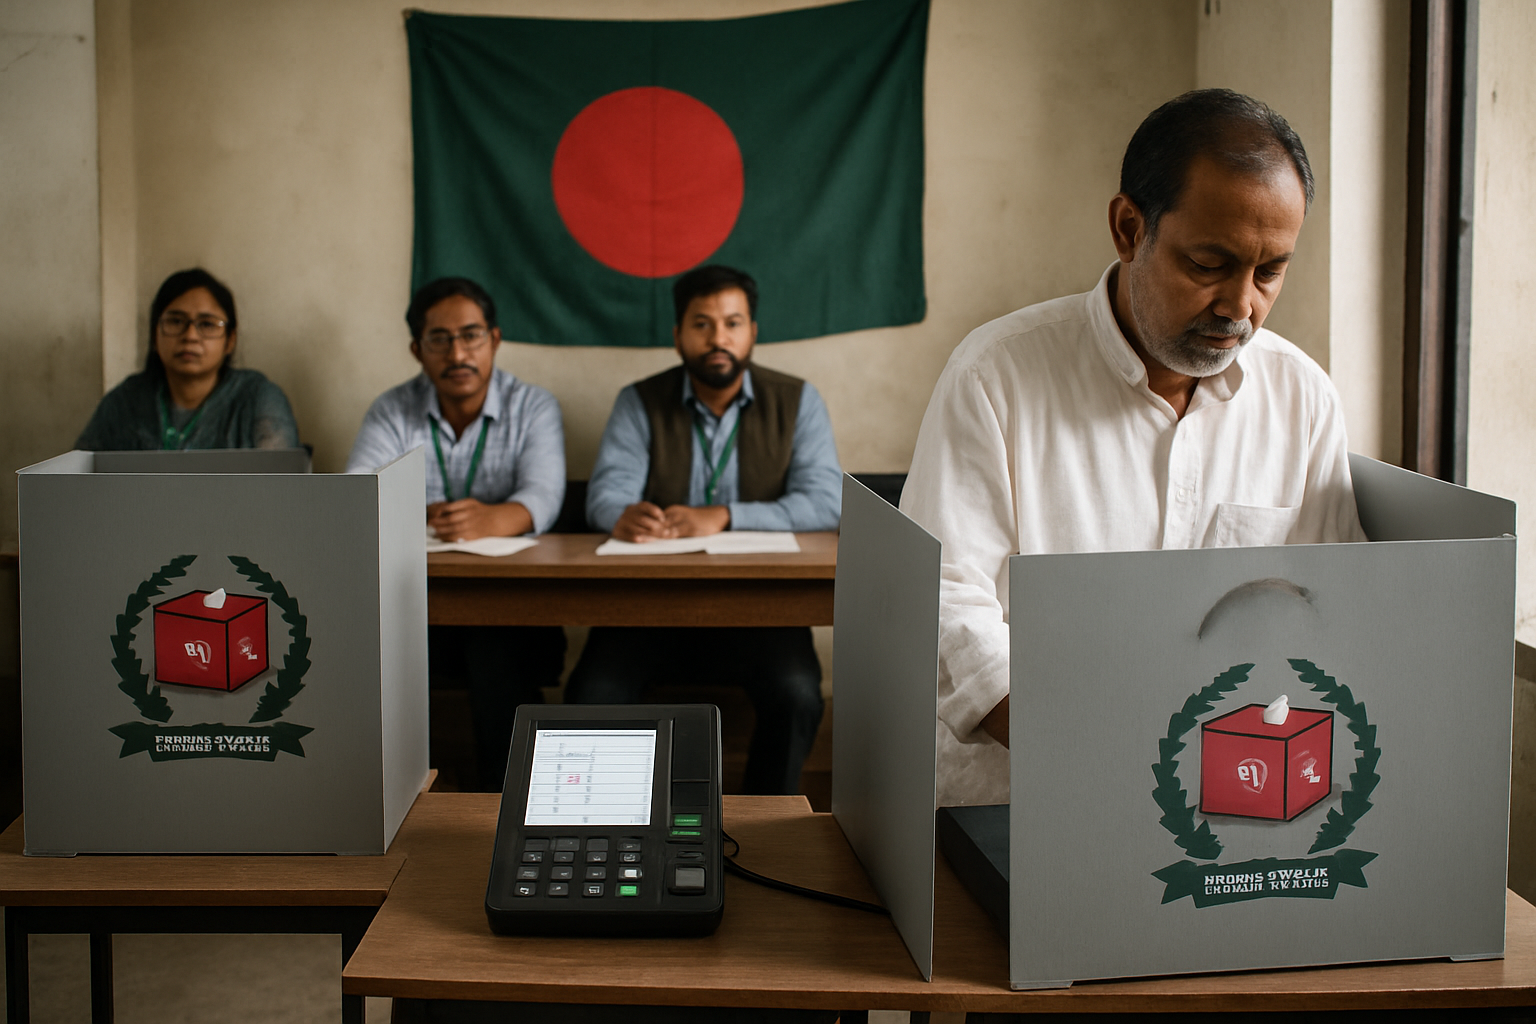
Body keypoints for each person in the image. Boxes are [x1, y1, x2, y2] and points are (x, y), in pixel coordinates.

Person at [900, 89, 1367, 808]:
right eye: (1209, 264)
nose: (1241, 306)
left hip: (1231, 807)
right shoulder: (997, 375)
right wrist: (1109, 753)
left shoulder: (1302, 398)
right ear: (1128, 228)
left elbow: (1329, 611)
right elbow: (944, 606)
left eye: (1269, 271)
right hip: (1026, 800)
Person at [571, 264, 842, 795]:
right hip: (646, 609)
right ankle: (607, 831)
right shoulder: (639, 400)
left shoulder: (798, 400)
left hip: (762, 610)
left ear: (753, 332)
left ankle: (769, 827)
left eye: (733, 323)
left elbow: (826, 503)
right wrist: (620, 514)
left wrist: (724, 515)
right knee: (591, 691)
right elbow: (605, 495)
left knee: (798, 693)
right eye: (702, 324)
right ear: (677, 335)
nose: (718, 338)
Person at [346, 276, 567, 791]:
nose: (458, 352)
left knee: (495, 654)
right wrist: (432, 516)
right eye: (439, 339)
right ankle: (385, 802)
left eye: (471, 336)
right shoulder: (391, 409)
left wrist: (496, 517)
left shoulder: (533, 406)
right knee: (369, 654)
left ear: (495, 339)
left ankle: (500, 804)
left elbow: (545, 497)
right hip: (416, 604)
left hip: (510, 606)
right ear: (416, 350)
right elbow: (359, 494)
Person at [76, 269, 300, 451]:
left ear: (230, 340)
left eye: (207, 324)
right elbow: (79, 480)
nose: (190, 336)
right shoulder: (123, 403)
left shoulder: (259, 398)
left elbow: (282, 487)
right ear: (155, 335)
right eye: (175, 321)